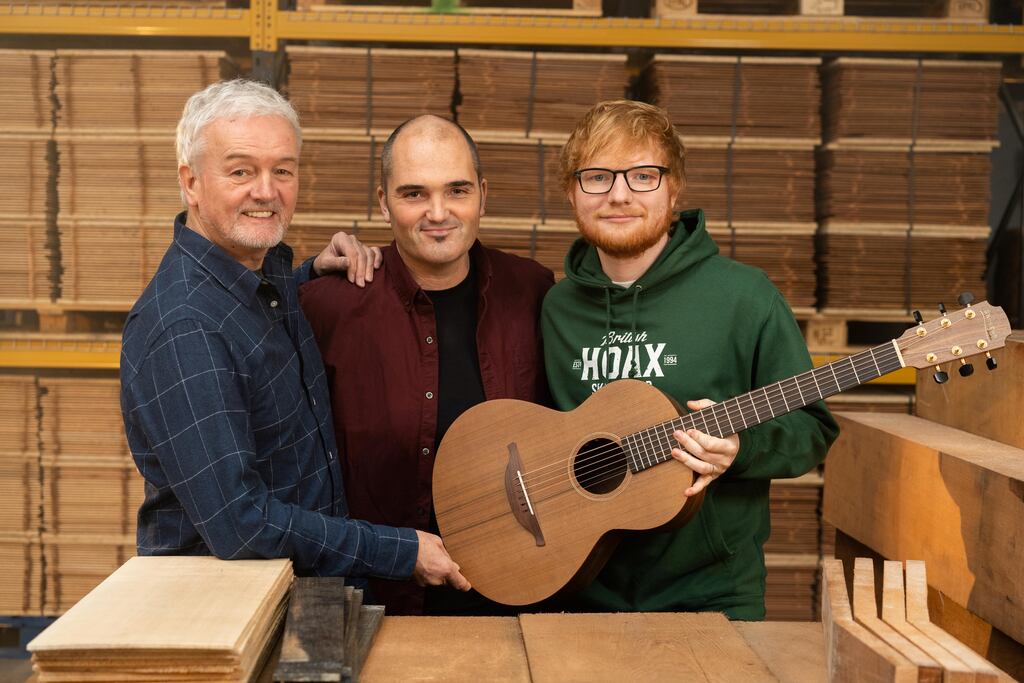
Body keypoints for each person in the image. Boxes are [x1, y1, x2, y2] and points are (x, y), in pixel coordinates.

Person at [120, 79, 469, 592]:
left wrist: (309, 272)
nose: (266, 191)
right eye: (241, 171)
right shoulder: (186, 330)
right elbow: (241, 524)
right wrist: (398, 549)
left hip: (295, 590)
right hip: (229, 609)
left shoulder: (257, 281)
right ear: (190, 182)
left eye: (282, 170)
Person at [540, 100, 839, 619]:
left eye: (643, 176)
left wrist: (740, 449)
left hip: (711, 595)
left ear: (674, 188)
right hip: (577, 590)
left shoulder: (744, 297)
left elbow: (812, 429)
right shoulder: (554, 308)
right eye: (597, 177)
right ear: (572, 192)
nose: (618, 194)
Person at [299, 115, 554, 615]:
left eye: (457, 190)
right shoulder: (325, 307)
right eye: (414, 194)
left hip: (521, 593)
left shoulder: (534, 292)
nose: (438, 213)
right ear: (383, 202)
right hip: (374, 604)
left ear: (483, 195)